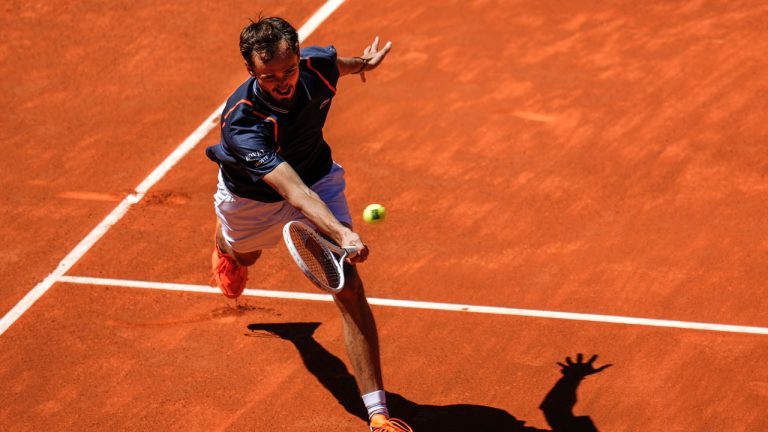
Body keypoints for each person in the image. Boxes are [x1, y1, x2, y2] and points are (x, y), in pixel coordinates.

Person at [205, 17, 411, 432]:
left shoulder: (316, 65)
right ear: (251, 72)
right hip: (254, 199)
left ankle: (378, 416)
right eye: (269, 76)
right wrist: (344, 233)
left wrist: (363, 65)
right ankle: (226, 250)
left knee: (349, 288)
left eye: (289, 70)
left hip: (317, 176)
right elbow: (295, 195)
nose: (282, 81)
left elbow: (340, 65)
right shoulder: (244, 124)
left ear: (299, 57)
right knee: (246, 255)